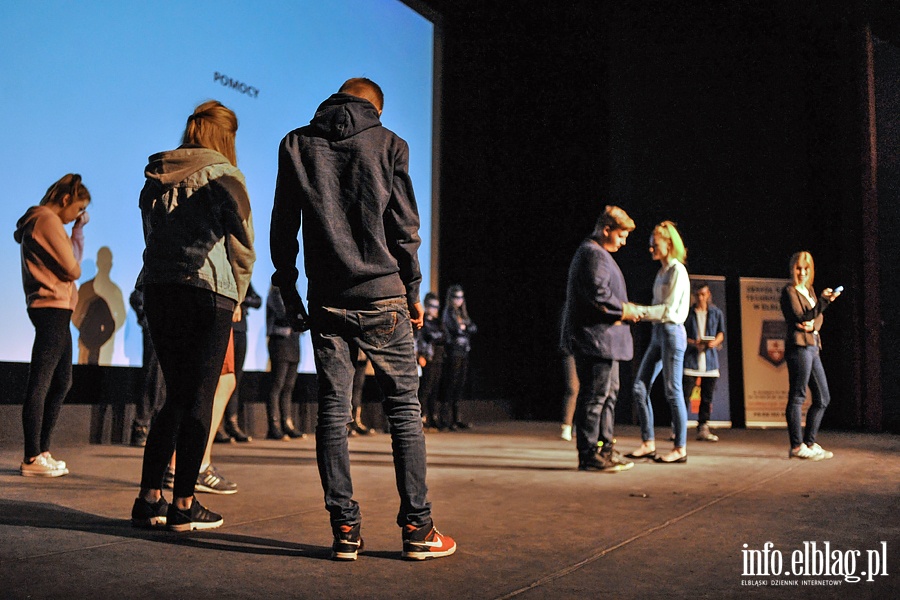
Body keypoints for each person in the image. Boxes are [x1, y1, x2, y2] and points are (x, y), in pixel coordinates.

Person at [271, 77, 456, 560]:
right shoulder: (390, 144)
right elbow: (405, 229)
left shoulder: (296, 143)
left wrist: (289, 288)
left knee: (333, 411)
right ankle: (418, 529)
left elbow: (283, 224)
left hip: (328, 300)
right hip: (384, 296)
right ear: (375, 108)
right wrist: (414, 289)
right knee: (404, 413)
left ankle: (346, 530)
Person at [130, 100, 255, 532]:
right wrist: (238, 294)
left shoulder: (156, 175)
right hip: (208, 291)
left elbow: (150, 237)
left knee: (176, 397)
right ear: (225, 135)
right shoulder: (226, 175)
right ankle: (184, 504)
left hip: (159, 288)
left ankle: (149, 499)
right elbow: (243, 244)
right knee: (199, 398)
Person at [14, 173, 90, 477]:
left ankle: (41, 451)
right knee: (42, 381)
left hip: (57, 308)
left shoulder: (48, 222)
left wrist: (76, 233)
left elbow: (71, 263)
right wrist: (73, 237)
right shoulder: (45, 219)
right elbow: (73, 268)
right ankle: (32, 456)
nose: (77, 216)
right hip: (51, 307)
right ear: (66, 200)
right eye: (77, 209)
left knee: (61, 381)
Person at [563, 205, 638, 473]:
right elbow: (598, 296)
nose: (623, 241)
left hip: (606, 342)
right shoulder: (593, 254)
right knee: (595, 397)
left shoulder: (599, 253)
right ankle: (589, 454)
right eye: (621, 235)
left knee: (608, 395)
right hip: (595, 341)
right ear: (606, 230)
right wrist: (625, 310)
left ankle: (605, 449)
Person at [625, 221, 691, 464]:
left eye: (655, 241)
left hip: (672, 332)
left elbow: (668, 310)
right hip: (658, 333)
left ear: (669, 243)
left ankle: (680, 448)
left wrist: (638, 311)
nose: (650, 246)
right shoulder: (661, 272)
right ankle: (648, 442)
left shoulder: (677, 271)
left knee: (673, 390)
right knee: (639, 388)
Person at [780, 251, 840, 460]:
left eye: (806, 269)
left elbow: (816, 317)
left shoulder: (810, 291)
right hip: (799, 347)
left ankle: (809, 442)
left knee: (823, 397)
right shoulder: (789, 292)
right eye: (799, 268)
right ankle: (796, 446)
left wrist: (814, 321)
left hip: (813, 346)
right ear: (793, 269)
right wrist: (822, 303)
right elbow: (800, 315)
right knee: (798, 396)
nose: (803, 272)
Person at [218, 282, 261, 443]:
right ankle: (217, 426)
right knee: (220, 380)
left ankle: (232, 423)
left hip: (241, 330)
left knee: (235, 379)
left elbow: (257, 301)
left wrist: (241, 300)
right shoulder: (224, 274)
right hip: (225, 327)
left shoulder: (243, 280)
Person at [682, 282, 725, 442]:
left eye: (703, 294)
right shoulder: (688, 313)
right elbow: (682, 335)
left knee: (707, 397)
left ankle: (703, 427)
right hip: (691, 361)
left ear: (708, 295)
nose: (700, 298)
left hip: (710, 362)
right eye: (698, 295)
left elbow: (721, 333)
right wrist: (694, 343)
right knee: (685, 395)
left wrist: (714, 342)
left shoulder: (716, 313)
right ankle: (679, 428)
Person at [265, 284, 305, 440]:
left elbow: (302, 316)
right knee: (277, 385)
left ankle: (287, 423)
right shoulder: (275, 294)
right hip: (279, 342)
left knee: (289, 386)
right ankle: (274, 426)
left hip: (293, 343)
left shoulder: (294, 296)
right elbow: (284, 314)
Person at [129, 288, 166, 447]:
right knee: (152, 377)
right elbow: (136, 297)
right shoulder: (156, 267)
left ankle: (159, 427)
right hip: (156, 330)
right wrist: (147, 318)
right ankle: (141, 426)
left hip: (175, 332)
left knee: (166, 381)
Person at [439, 285, 477, 430]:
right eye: (456, 297)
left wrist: (464, 327)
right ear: (451, 298)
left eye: (461, 297)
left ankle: (456, 418)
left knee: (459, 385)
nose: (459, 300)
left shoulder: (463, 313)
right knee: (451, 384)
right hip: (453, 352)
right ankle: (445, 419)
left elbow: (473, 328)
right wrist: (463, 328)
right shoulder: (448, 312)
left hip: (463, 352)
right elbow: (455, 329)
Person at [416, 292, 444, 429]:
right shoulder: (422, 321)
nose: (435, 309)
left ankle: (433, 417)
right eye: (432, 306)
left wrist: (436, 336)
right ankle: (422, 417)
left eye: (437, 307)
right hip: (427, 358)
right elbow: (421, 339)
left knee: (435, 389)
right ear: (426, 306)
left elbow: (444, 337)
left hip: (438, 358)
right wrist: (419, 355)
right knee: (425, 389)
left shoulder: (438, 322)